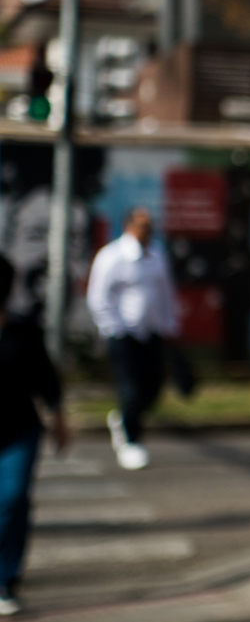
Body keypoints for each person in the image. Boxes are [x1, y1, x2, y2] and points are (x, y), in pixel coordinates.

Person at [0, 253, 68, 616]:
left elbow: (47, 379)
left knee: (12, 499)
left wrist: (59, 420)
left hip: (19, 431)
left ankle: (6, 579)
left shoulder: (23, 330)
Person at [86, 208, 178, 471]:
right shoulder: (112, 256)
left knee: (154, 387)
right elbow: (98, 297)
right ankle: (130, 441)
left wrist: (169, 326)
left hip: (151, 333)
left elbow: (165, 294)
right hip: (123, 334)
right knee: (131, 388)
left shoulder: (157, 255)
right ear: (129, 227)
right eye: (142, 226)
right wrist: (112, 327)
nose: (148, 232)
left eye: (150, 226)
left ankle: (124, 418)